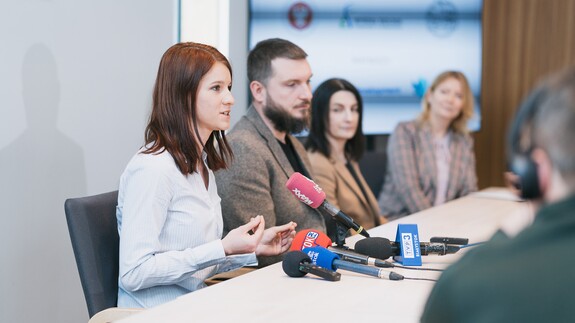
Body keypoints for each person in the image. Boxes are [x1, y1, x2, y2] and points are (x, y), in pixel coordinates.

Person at [116, 42, 297, 308]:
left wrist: (249, 249)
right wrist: (222, 248)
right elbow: (134, 273)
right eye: (216, 88)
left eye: (229, 88)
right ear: (183, 95)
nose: (230, 99)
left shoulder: (200, 164)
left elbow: (196, 266)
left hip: (197, 304)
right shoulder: (153, 169)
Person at [421, 67, 575, 322]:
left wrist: (504, 236)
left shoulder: (470, 282)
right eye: (445, 92)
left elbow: (468, 188)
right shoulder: (407, 132)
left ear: (535, 172)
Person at [215, 38, 326, 267]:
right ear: (258, 91)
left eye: (308, 82)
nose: (307, 94)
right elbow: (265, 255)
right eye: (292, 84)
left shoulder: (292, 142)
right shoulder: (242, 149)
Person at [378, 71, 477, 220]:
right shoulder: (405, 131)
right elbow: (409, 190)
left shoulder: (463, 141)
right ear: (430, 95)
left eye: (458, 96)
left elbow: (469, 191)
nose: (450, 100)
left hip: (446, 223)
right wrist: (439, 223)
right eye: (444, 92)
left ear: (463, 104)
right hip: (401, 220)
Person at [305, 78, 385, 233]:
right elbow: (336, 226)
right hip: (356, 249)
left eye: (354, 109)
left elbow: (375, 218)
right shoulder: (318, 162)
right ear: (320, 114)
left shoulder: (347, 156)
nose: (349, 118)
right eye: (338, 110)